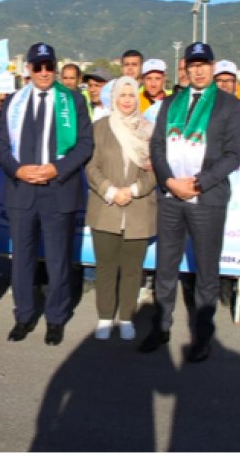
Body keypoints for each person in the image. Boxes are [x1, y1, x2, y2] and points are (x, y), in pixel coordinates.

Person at [141, 42, 240, 362]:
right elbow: (157, 146)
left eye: (204, 64)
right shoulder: (171, 102)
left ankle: (203, 335)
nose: (198, 70)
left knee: (206, 270)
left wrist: (199, 183)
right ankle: (161, 327)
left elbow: (232, 156)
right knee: (166, 266)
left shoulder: (229, 105)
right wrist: (170, 181)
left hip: (207, 198)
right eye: (192, 65)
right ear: (185, 68)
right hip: (171, 196)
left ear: (212, 67)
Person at [0, 42, 93, 345]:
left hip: (58, 190)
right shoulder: (14, 102)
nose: (43, 72)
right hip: (22, 190)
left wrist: (57, 168)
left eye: (48, 66)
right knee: (22, 258)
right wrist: (17, 170)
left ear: (54, 67)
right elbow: (1, 146)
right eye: (37, 66)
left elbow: (85, 145)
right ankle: (23, 316)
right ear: (28, 69)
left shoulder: (73, 101)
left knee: (58, 259)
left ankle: (55, 318)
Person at [85, 76, 156, 341]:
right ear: (114, 98)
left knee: (132, 269)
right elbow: (91, 167)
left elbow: (156, 168)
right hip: (106, 206)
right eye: (122, 95)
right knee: (105, 266)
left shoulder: (148, 129)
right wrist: (111, 191)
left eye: (131, 95)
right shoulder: (100, 128)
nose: (127, 100)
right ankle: (105, 316)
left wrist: (135, 190)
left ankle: (126, 317)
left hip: (139, 208)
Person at [211, 60, 240, 307]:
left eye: (230, 81)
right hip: (212, 181)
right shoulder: (202, 111)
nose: (226, 85)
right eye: (220, 81)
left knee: (236, 232)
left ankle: (230, 281)